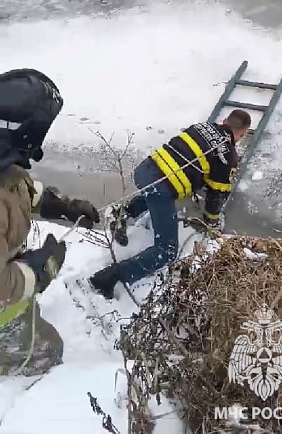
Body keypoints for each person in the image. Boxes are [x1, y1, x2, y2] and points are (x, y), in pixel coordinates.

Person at [0, 69, 102, 376]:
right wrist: (38, 271)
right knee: (46, 351)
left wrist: (61, 206)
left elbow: (17, 187)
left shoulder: (5, 164)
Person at [88, 110, 250, 299]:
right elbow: (216, 195)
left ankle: (123, 212)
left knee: (156, 192)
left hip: (145, 170)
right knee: (167, 250)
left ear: (224, 121)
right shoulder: (228, 156)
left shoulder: (201, 126)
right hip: (161, 187)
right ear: (243, 134)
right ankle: (109, 277)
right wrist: (211, 222)